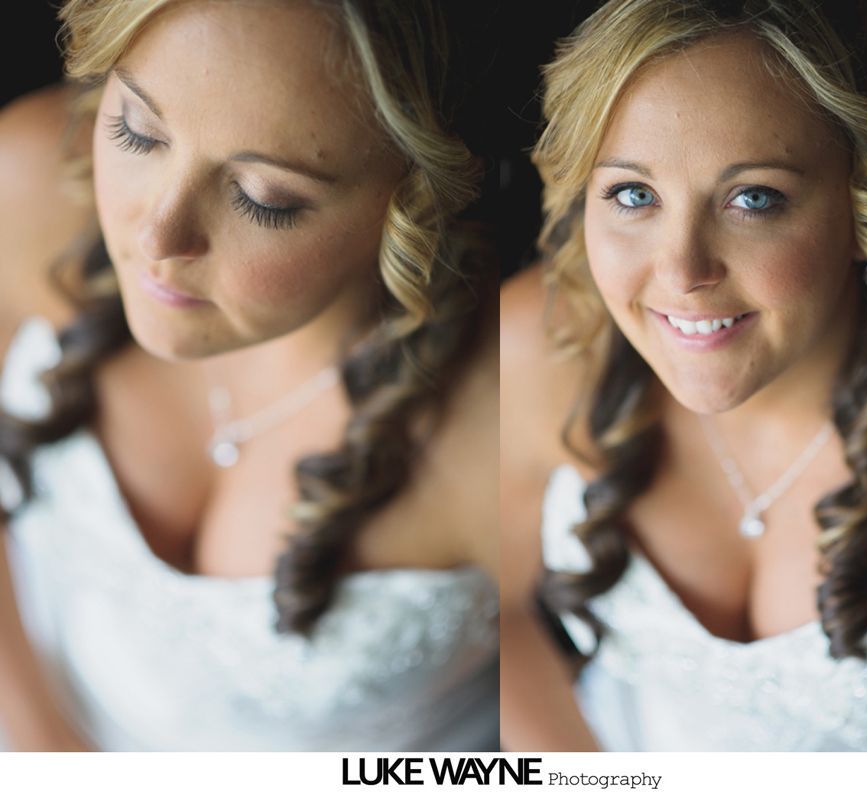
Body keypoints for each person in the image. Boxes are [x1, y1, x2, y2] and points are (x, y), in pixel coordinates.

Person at [500, 0, 867, 751]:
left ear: (864, 202)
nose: (682, 272)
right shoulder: (538, 348)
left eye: (753, 198)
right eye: (633, 194)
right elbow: (485, 611)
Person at [0, 0, 498, 751]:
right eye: (138, 129)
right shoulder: (31, 183)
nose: (156, 235)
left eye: (264, 199)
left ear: (416, 200)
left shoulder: (496, 410)